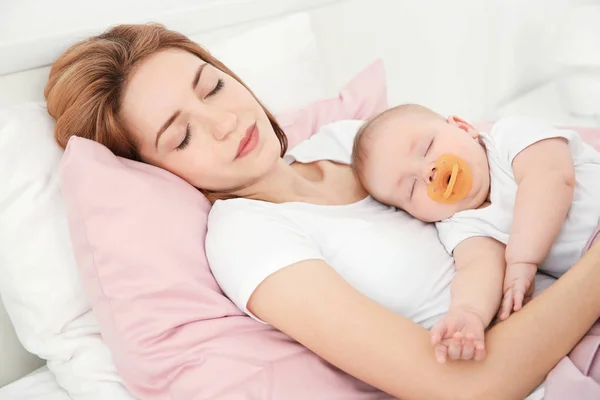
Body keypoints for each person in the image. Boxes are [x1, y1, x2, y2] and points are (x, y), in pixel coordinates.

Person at [44, 23, 600, 400]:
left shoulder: (343, 141)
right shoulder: (248, 239)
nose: (225, 122)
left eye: (212, 87)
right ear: (157, 172)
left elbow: (494, 161)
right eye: (182, 135)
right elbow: (461, 387)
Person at [351, 104, 600, 362]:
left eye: (427, 148)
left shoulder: (509, 137)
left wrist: (522, 258)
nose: (429, 172)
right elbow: (479, 269)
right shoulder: (459, 223)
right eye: (411, 188)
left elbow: (552, 177)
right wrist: (468, 314)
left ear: (463, 127)